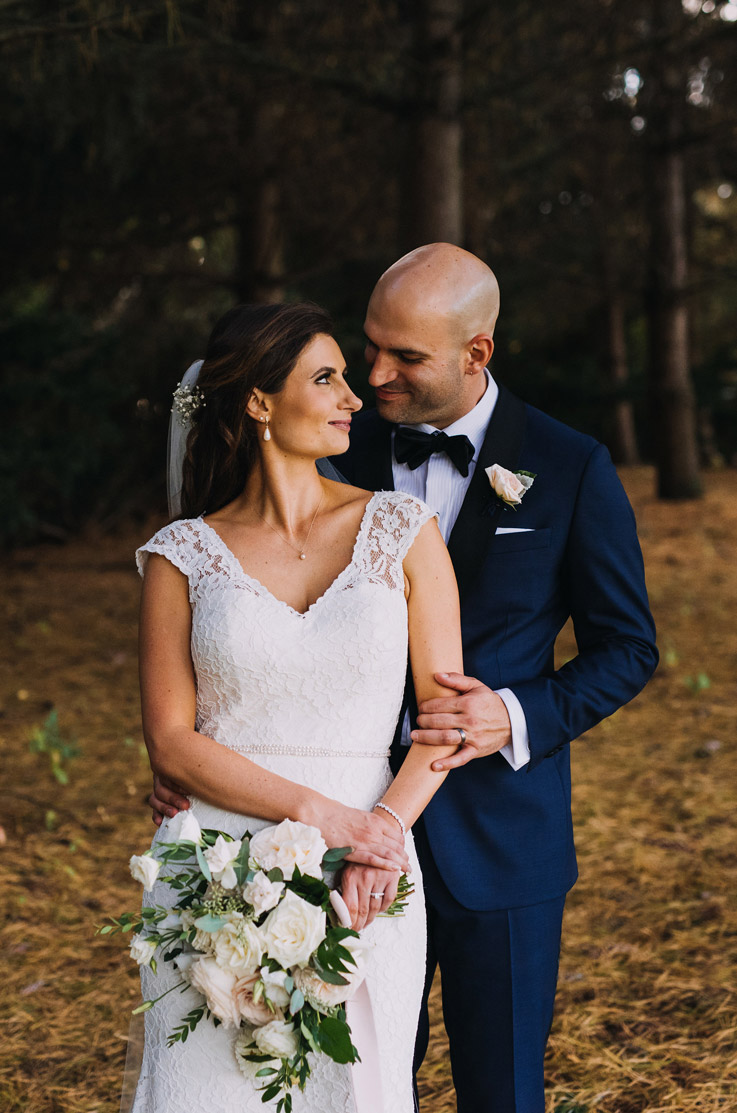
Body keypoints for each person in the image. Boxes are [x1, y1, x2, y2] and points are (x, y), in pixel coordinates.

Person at [152, 244, 659, 1113]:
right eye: (368, 348)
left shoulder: (568, 465)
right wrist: (196, 775)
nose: (375, 376)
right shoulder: (338, 439)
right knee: (343, 1088)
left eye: (405, 358)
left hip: (497, 839)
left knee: (500, 1091)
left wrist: (510, 713)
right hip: (298, 846)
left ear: (476, 353)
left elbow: (628, 646)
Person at [132, 300, 465, 1113]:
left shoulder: (401, 527)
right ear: (258, 402)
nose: (354, 396)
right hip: (215, 863)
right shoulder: (182, 554)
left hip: (370, 871)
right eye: (327, 378)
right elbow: (172, 743)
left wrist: (375, 833)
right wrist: (326, 816)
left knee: (352, 1090)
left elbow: (444, 717)